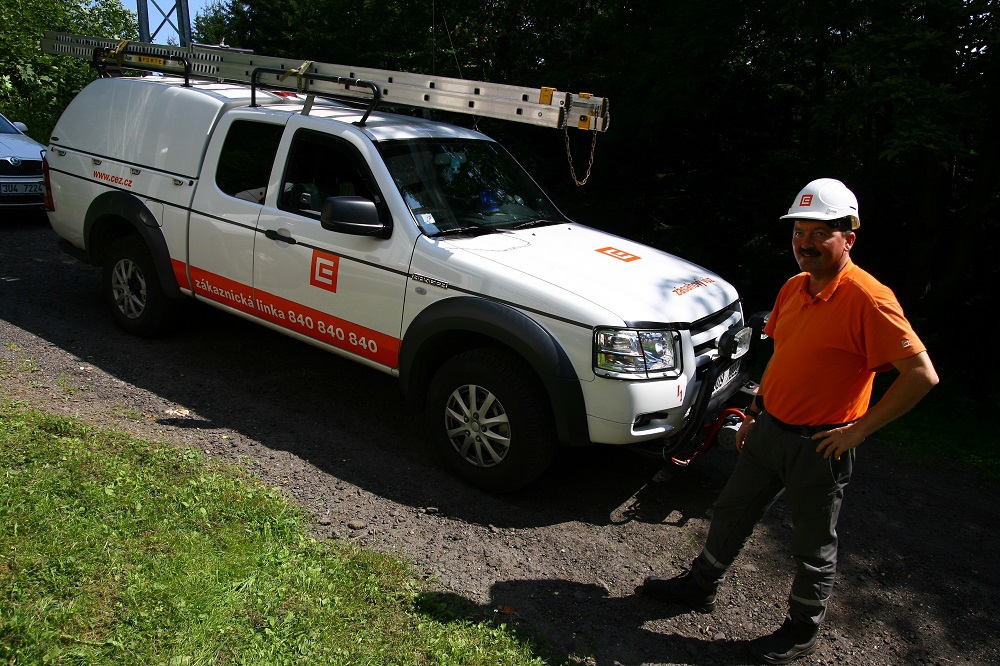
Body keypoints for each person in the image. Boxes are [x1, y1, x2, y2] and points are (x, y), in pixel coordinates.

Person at [642, 178, 939, 664]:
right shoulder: (793, 287)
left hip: (820, 446)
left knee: (812, 544)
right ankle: (700, 586)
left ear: (849, 238)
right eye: (799, 232)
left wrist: (858, 431)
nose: (805, 243)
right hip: (769, 430)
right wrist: (754, 412)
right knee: (731, 511)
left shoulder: (869, 298)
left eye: (820, 233)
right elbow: (783, 356)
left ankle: (802, 629)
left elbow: (921, 375)